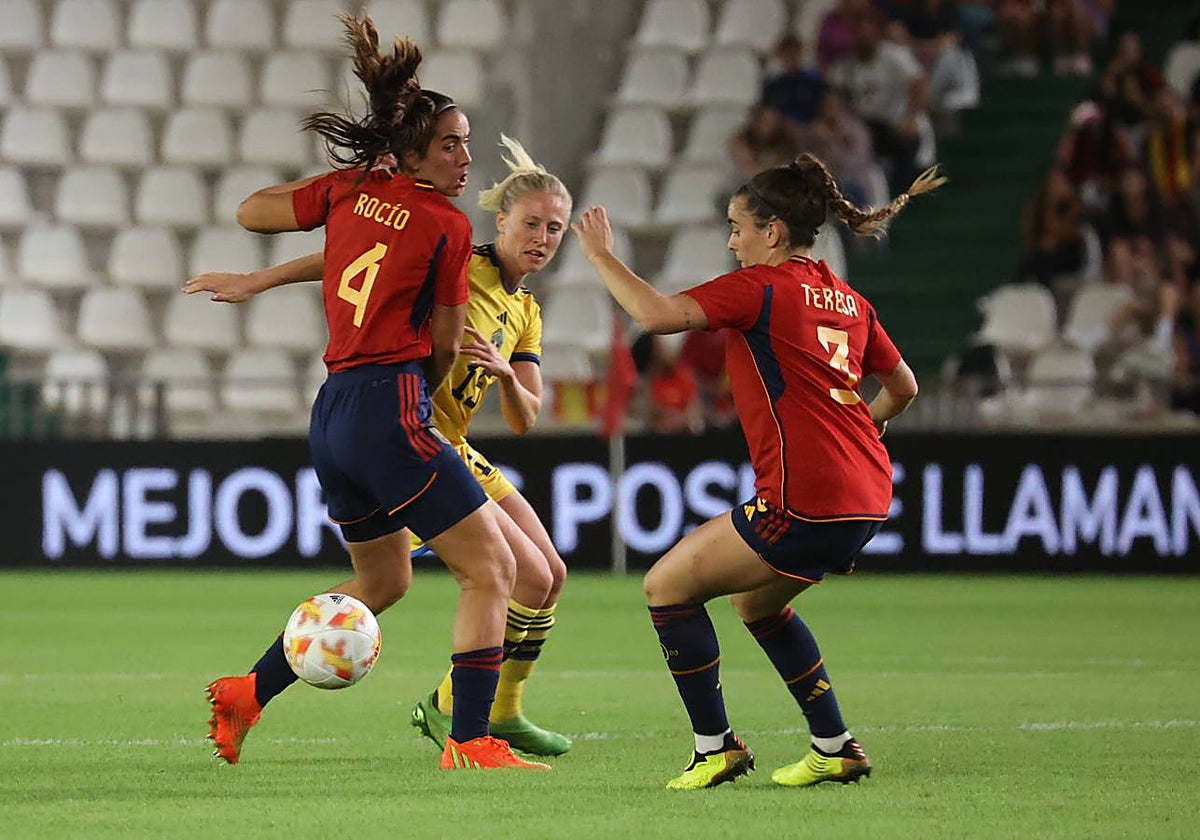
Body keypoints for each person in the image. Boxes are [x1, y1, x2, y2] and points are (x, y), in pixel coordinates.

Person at [198, 12, 548, 772]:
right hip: (392, 405)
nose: (466, 157)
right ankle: (471, 737)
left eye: (465, 141)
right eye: (452, 143)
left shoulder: (353, 191)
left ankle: (246, 692)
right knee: (493, 570)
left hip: (333, 414)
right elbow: (450, 341)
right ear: (416, 150)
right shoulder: (448, 227)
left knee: (383, 580)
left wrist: (340, 194)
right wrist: (417, 396)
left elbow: (251, 211)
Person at [572, 153, 939, 790]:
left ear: (772, 232)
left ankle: (715, 748)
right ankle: (835, 745)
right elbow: (902, 386)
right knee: (756, 603)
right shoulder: (848, 298)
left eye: (738, 227)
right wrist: (857, 435)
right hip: (869, 493)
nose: (732, 241)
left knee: (665, 587)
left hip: (804, 498)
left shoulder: (761, 289)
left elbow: (657, 317)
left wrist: (603, 256)